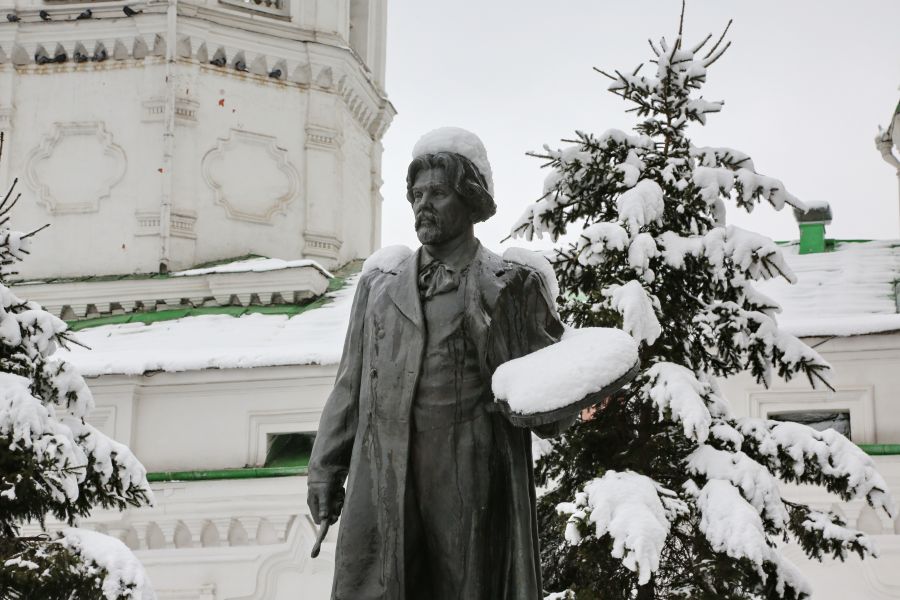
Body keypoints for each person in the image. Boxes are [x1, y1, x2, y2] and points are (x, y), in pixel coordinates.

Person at [308, 128, 572, 600]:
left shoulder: (511, 284)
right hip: (384, 472)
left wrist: (579, 385)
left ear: (470, 199)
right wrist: (325, 469)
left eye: (438, 193)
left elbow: (548, 405)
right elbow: (350, 386)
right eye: (417, 195)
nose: (423, 205)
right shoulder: (379, 286)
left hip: (469, 480)